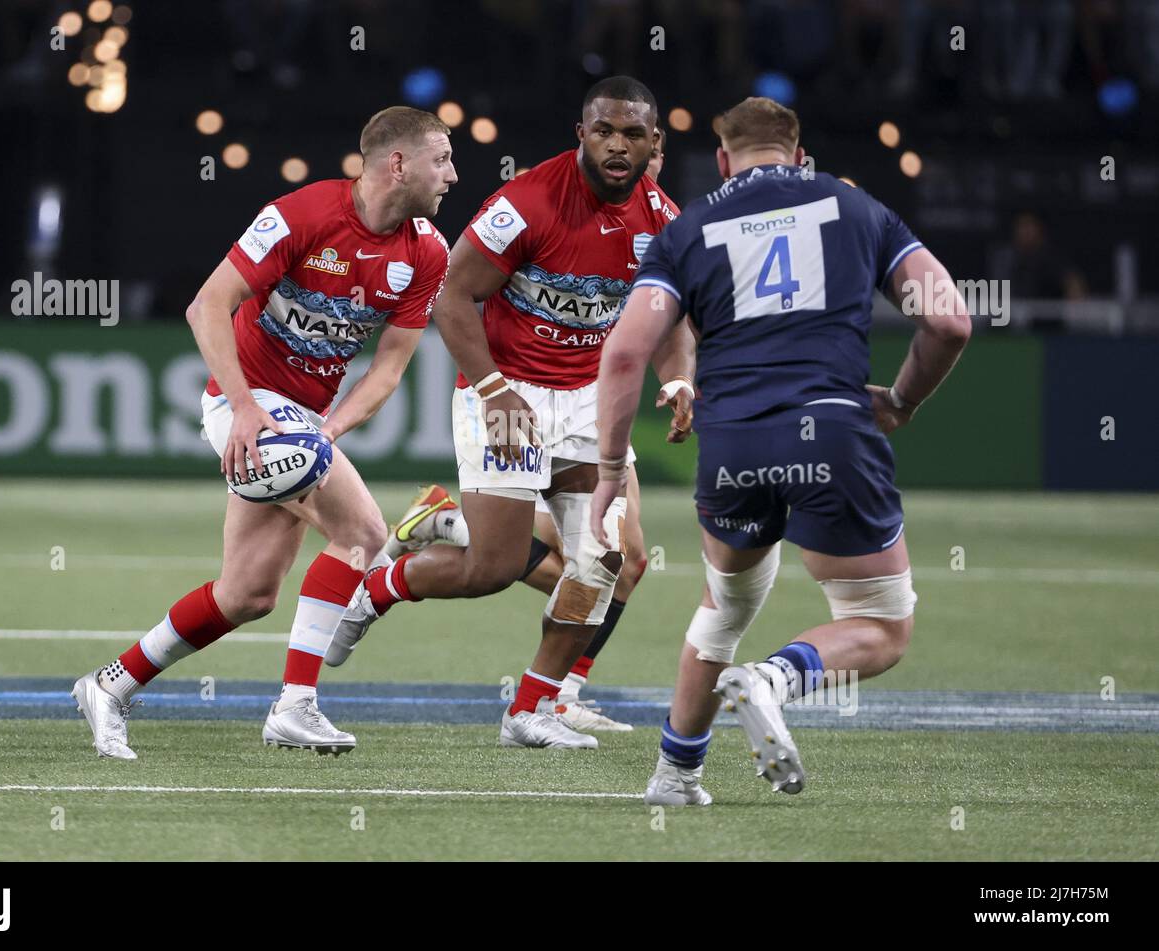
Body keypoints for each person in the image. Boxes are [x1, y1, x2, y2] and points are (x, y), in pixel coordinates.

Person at [590, 96, 971, 803]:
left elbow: (623, 356)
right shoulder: (857, 208)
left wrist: (612, 469)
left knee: (723, 609)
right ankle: (776, 678)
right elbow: (949, 320)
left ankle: (675, 774)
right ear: (800, 156)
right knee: (881, 625)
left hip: (731, 442)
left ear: (725, 159)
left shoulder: (688, 227)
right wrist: (904, 400)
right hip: (831, 429)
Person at [70, 106, 457, 759]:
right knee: (361, 532)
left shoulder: (427, 252)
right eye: (441, 158)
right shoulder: (301, 215)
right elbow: (207, 305)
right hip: (244, 404)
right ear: (399, 164)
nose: (452, 174)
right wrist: (248, 409)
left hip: (303, 421)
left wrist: (326, 430)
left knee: (247, 593)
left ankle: (109, 685)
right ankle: (295, 707)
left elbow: (389, 369)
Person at [325, 77, 696, 750]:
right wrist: (492, 385)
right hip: (508, 395)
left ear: (655, 143)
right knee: (491, 566)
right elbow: (450, 296)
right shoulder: (526, 202)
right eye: (605, 131)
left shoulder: (664, 220)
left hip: (588, 404)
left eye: (633, 134)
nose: (618, 146)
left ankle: (532, 706)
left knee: (601, 563)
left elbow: (669, 318)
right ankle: (380, 587)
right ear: (581, 134)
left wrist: (679, 382)